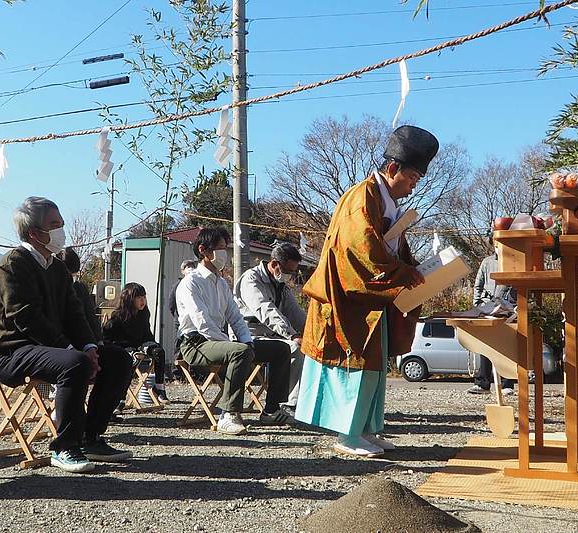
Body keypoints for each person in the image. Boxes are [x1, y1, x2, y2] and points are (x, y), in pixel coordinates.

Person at [296, 125, 438, 458]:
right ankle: (347, 434)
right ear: (393, 169)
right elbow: (360, 253)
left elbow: (390, 249)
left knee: (372, 369)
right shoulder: (361, 199)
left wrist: (412, 267)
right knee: (354, 367)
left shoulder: (384, 201)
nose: (413, 186)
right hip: (349, 302)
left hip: (372, 302)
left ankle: (366, 429)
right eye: (412, 178)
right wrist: (404, 273)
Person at [0, 197, 133, 473]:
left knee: (118, 359)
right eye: (54, 225)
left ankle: (91, 437)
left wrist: (90, 345)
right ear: (34, 232)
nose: (61, 230)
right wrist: (69, 349)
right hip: (12, 351)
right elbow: (25, 317)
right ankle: (65, 446)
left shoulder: (56, 267)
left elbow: (74, 313)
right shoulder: (12, 264)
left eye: (61, 223)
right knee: (74, 363)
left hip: (52, 350)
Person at [175, 227, 291, 435]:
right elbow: (203, 323)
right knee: (239, 351)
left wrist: (247, 341)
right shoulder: (190, 283)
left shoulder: (220, 283)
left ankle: (271, 409)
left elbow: (236, 318)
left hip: (219, 341)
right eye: (220, 248)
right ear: (203, 250)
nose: (224, 254)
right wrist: (236, 345)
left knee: (280, 349)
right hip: (194, 344)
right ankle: (228, 414)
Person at [234, 242, 306, 416]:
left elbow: (296, 313)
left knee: (306, 347)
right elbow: (265, 310)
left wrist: (313, 333)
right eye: (288, 271)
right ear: (274, 264)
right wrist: (293, 334)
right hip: (247, 337)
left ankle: (297, 403)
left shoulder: (280, 285)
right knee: (293, 347)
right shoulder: (251, 279)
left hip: (270, 337)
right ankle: (286, 404)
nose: (290, 276)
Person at [467, 235, 517, 396]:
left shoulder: (514, 261)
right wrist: (478, 305)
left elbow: (517, 286)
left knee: (507, 347)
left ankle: (507, 383)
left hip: (508, 310)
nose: (497, 246)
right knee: (485, 346)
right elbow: (478, 284)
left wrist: (512, 305)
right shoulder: (487, 262)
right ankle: (483, 383)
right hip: (487, 308)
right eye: (495, 243)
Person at [103, 282, 169, 403]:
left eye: (144, 297)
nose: (142, 301)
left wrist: (153, 345)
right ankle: (120, 399)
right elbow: (108, 338)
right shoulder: (118, 317)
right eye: (139, 298)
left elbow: (147, 335)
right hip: (124, 346)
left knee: (159, 352)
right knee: (131, 360)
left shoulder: (144, 313)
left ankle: (159, 388)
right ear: (129, 299)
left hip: (141, 344)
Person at [59, 247, 102, 343]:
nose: (70, 279)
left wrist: (98, 340)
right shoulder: (52, 288)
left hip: (83, 339)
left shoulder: (79, 288)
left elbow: (90, 315)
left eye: (73, 275)